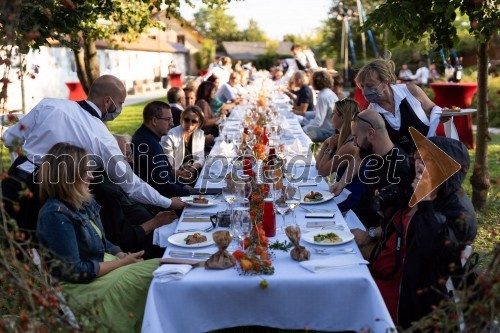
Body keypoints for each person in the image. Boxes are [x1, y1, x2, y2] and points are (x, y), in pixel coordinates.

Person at [2, 75, 183, 232]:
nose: (120, 108)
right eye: (120, 103)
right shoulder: (102, 138)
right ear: (107, 101)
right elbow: (132, 184)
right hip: (48, 195)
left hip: (15, 178)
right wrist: (167, 202)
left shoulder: (50, 104)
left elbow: (9, 138)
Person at [36, 142, 159, 332]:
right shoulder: (55, 214)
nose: (92, 176)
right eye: (86, 170)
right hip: (84, 288)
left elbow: (104, 241)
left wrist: (120, 255)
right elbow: (74, 272)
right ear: (69, 175)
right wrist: (120, 264)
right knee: (157, 273)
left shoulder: (83, 202)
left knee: (164, 269)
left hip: (103, 269)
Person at [369, 137, 477, 328]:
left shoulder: (459, 211)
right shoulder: (419, 190)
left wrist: (425, 203)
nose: (419, 166)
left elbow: (432, 247)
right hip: (392, 272)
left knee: (362, 303)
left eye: (427, 160)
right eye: (417, 158)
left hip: (416, 291)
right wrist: (386, 214)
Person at [91, 135, 178, 259]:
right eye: (126, 155)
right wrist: (155, 222)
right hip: (141, 247)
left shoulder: (117, 178)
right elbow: (122, 238)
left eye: (131, 154)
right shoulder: (105, 190)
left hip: (155, 232)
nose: (131, 160)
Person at [342, 109, 410, 257]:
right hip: (354, 223)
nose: (354, 143)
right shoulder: (376, 155)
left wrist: (368, 235)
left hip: (373, 239)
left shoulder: (399, 169)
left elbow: (398, 222)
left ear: (371, 133)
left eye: (356, 137)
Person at [355, 58, 443, 154]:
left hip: (429, 158)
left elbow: (434, 110)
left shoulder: (411, 92)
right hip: (399, 166)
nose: (364, 92)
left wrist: (443, 114)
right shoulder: (371, 113)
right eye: (362, 87)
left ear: (385, 82)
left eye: (370, 86)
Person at [131, 101, 191, 198]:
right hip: (157, 202)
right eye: (168, 120)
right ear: (154, 121)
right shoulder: (148, 143)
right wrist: (190, 193)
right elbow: (163, 184)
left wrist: (184, 186)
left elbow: (168, 171)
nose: (172, 124)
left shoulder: (149, 137)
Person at [316, 99, 364, 213]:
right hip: (340, 190)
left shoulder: (350, 145)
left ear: (343, 117)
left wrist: (330, 147)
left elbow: (322, 171)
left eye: (334, 112)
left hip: (348, 196)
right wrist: (326, 144)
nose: (331, 115)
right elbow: (318, 165)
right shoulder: (341, 138)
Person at [162, 105, 206, 185]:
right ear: (182, 118)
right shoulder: (170, 137)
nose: (189, 124)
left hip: (192, 171)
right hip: (174, 176)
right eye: (187, 120)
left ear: (199, 123)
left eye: (194, 121)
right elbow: (168, 167)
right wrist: (182, 174)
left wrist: (192, 169)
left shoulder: (200, 134)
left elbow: (200, 158)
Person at [302, 70, 338, 141]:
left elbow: (318, 121)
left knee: (300, 137)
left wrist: (303, 130)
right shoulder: (329, 93)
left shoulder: (323, 96)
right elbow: (320, 113)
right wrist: (304, 114)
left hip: (327, 132)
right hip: (330, 128)